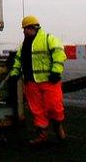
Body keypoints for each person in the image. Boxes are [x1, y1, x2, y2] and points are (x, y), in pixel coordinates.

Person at [9, 15, 67, 145]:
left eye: (25, 29)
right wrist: (14, 73)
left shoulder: (48, 39)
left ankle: (59, 129)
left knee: (54, 107)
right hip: (31, 83)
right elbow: (18, 60)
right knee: (37, 110)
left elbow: (59, 54)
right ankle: (42, 135)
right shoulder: (24, 45)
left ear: (32, 28)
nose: (24, 31)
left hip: (49, 81)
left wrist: (56, 71)